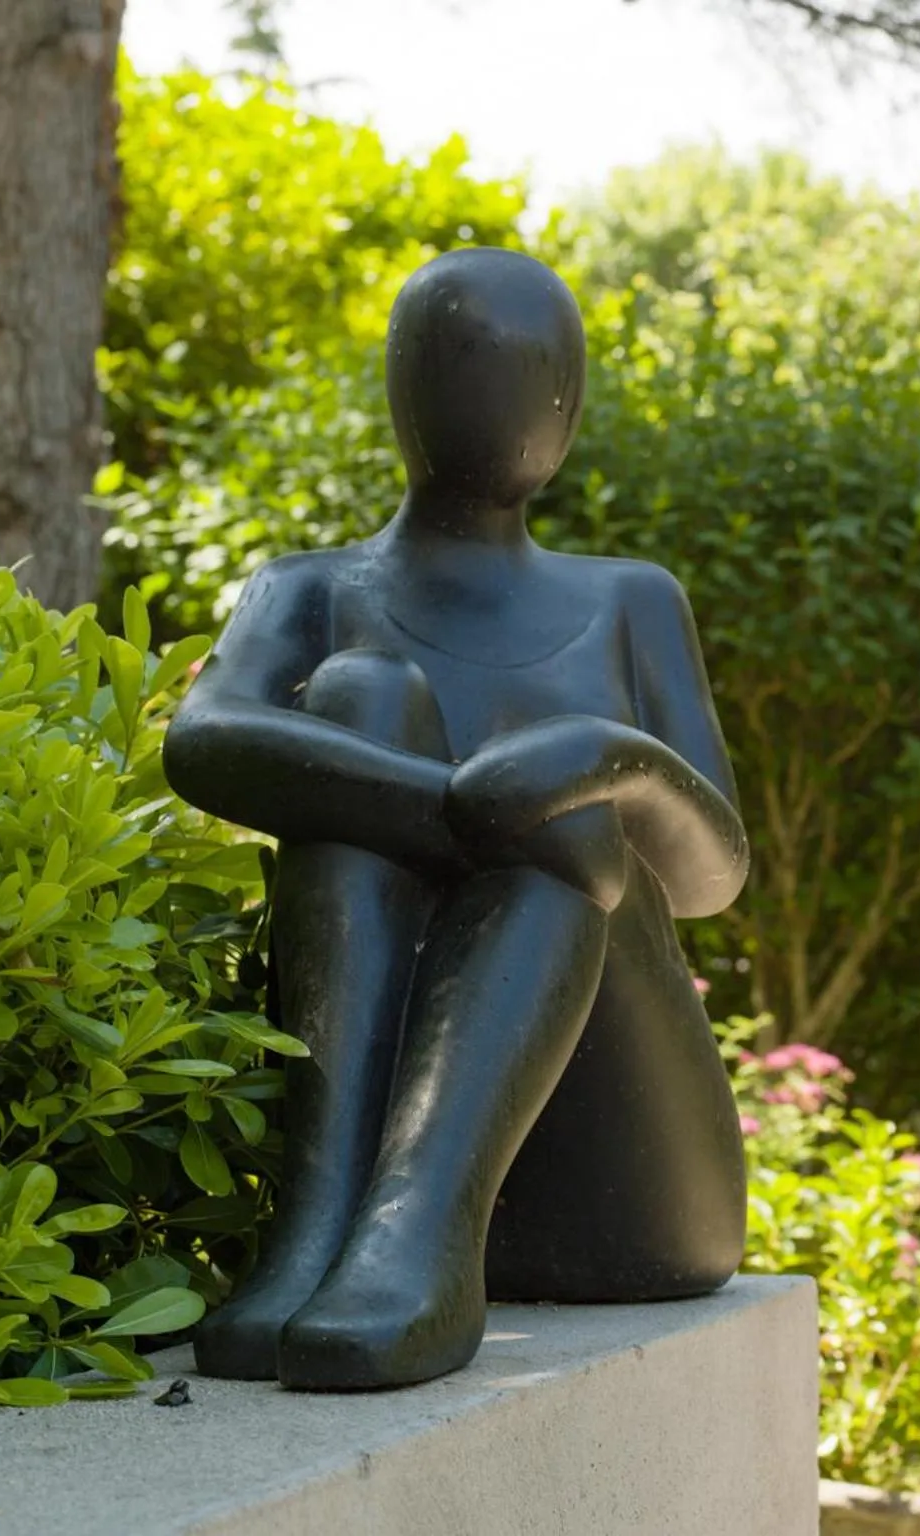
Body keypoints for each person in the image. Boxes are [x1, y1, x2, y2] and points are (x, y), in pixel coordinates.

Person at [162, 248, 750, 1392]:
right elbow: (204, 740)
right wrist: (449, 806)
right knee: (357, 700)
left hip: (625, 1182)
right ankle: (324, 1224)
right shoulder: (311, 589)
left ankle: (416, 1239)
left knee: (570, 811)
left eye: (525, 375)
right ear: (403, 393)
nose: (495, 400)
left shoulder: (628, 600)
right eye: (461, 367)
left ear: (565, 408)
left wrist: (611, 762)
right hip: (370, 1198)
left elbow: (712, 874)